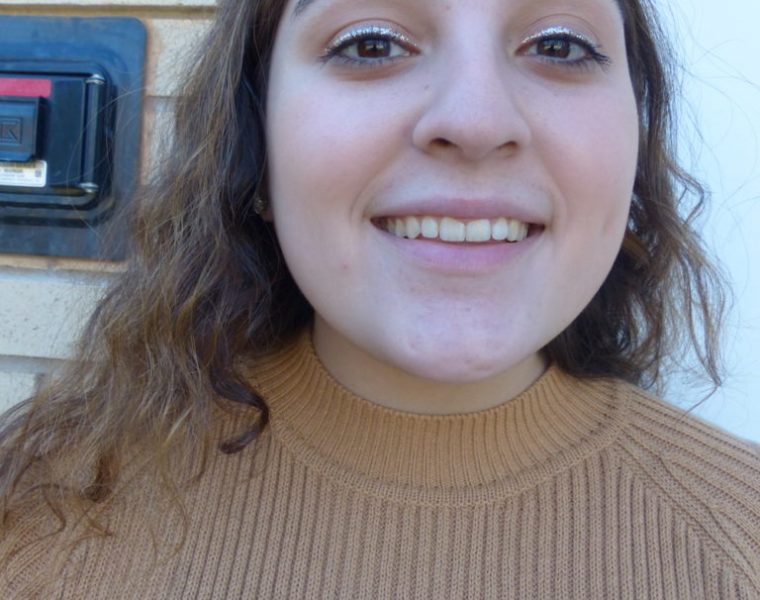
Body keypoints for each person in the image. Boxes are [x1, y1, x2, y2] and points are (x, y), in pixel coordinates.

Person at [1, 0, 759, 597]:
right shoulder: (36, 527)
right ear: (252, 144)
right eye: (370, 44)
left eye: (559, 45)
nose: (476, 121)